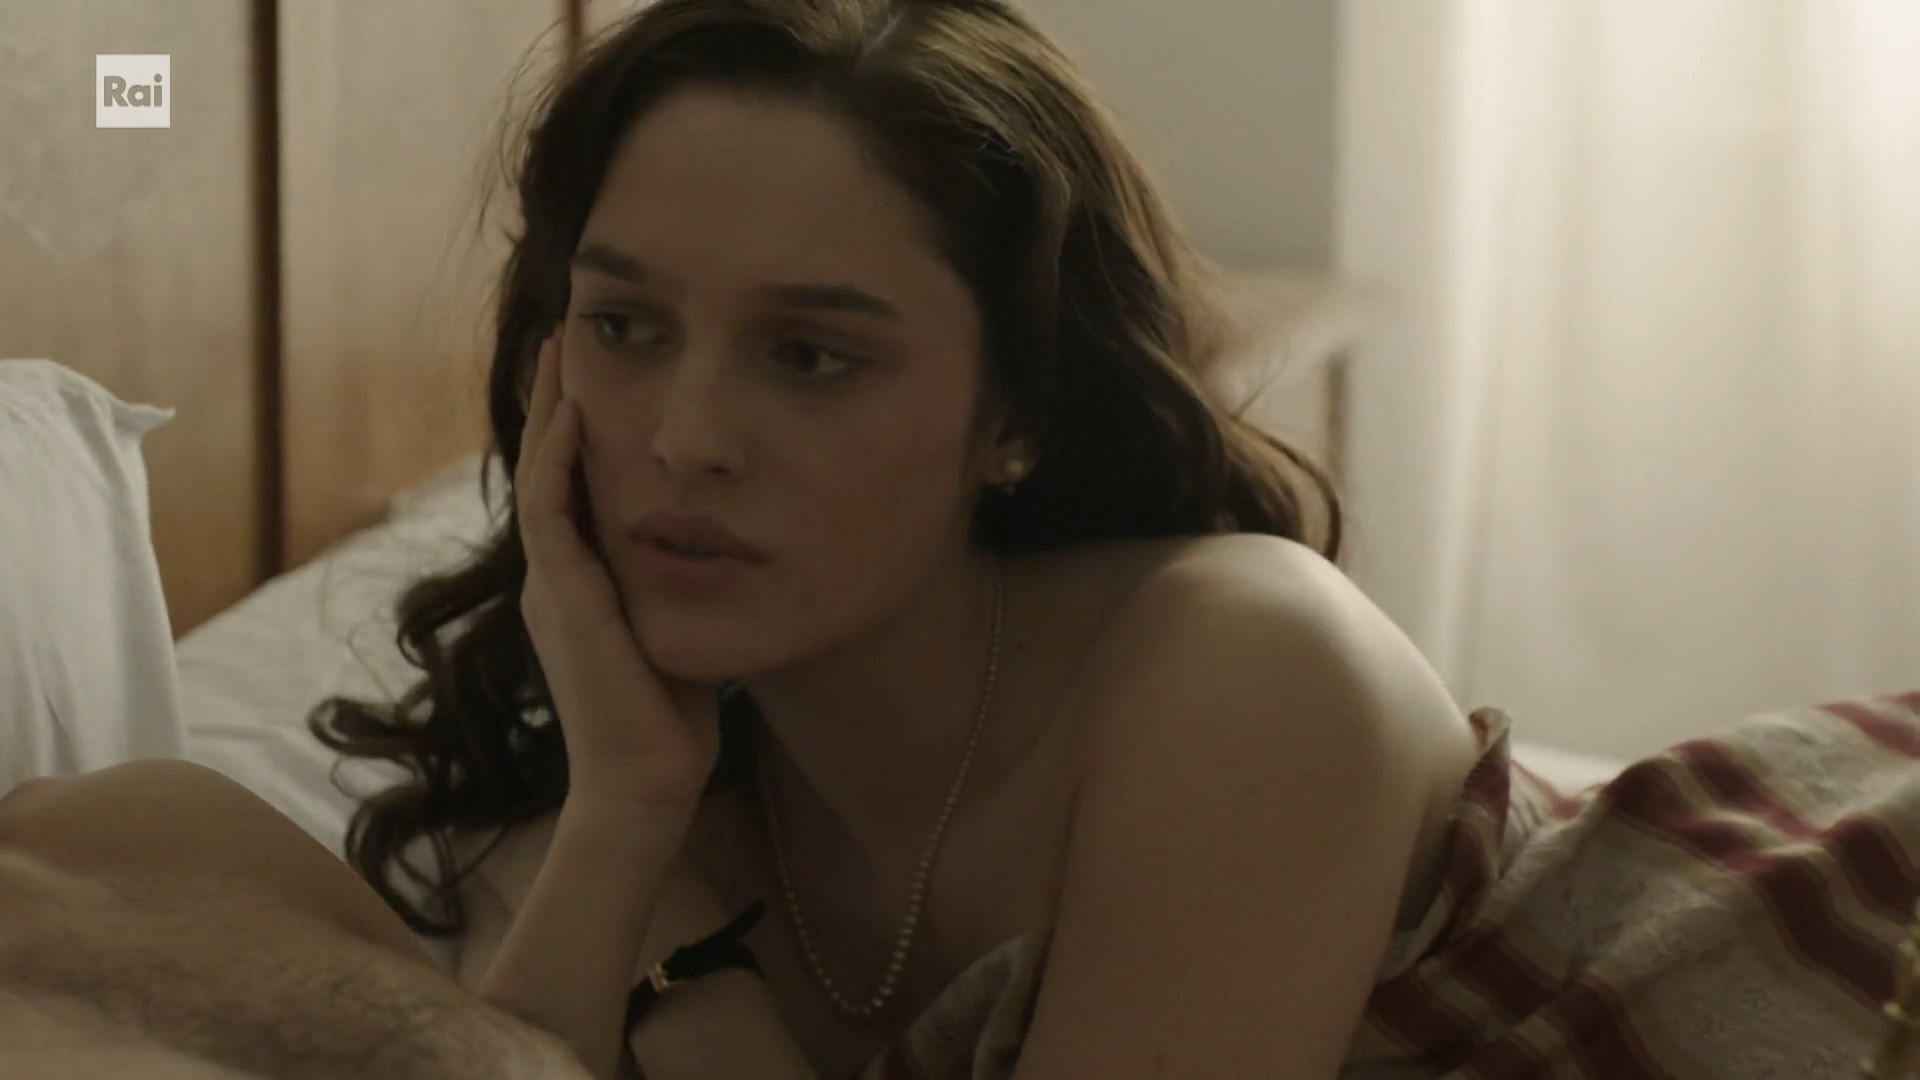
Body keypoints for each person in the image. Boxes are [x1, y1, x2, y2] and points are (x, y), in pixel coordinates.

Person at [5, 1, 1915, 1078]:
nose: (685, 438)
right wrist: (628, 805)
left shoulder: (1237, 659)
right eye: (626, 325)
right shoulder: (603, 828)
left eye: (813, 356)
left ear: (1017, 415)